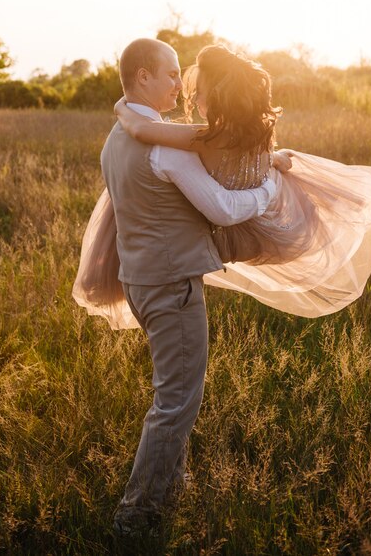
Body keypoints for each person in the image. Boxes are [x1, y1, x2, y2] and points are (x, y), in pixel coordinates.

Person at [73, 38, 278, 539]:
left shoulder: (115, 138)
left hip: (140, 284)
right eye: (168, 74)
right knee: (176, 403)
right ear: (142, 76)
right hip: (171, 289)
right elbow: (225, 210)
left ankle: (172, 490)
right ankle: (135, 515)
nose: (177, 84)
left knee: (174, 394)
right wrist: (272, 185)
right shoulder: (163, 147)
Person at [113, 44, 371, 318]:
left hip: (258, 220)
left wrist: (121, 107)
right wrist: (272, 158)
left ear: (217, 96)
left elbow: (140, 128)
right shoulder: (254, 134)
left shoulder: (206, 138)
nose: (195, 99)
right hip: (283, 222)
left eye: (200, 92)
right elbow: (239, 160)